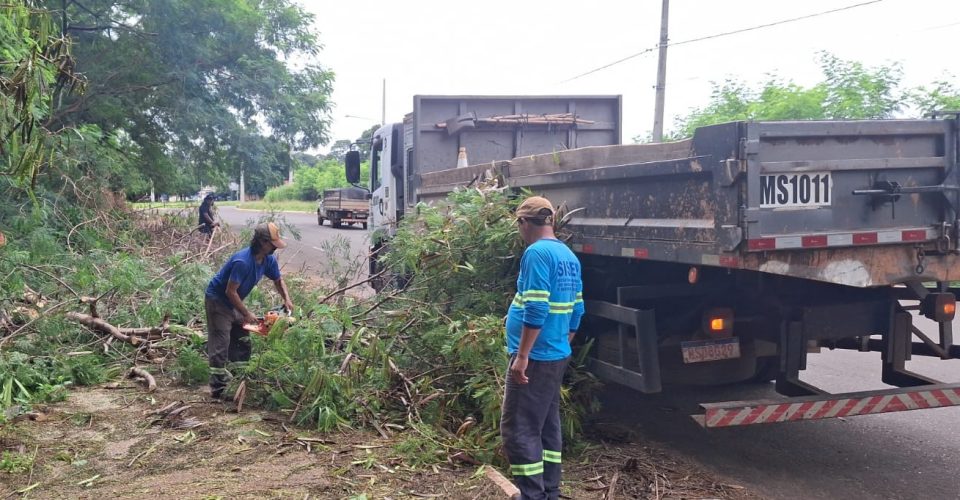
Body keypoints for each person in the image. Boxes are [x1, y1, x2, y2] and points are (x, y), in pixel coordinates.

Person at [500, 196, 584, 500]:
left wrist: (523, 356)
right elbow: (577, 310)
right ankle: (550, 491)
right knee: (547, 425)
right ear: (551, 221)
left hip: (535, 357)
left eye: (518, 224)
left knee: (519, 429)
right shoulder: (567, 255)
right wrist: (560, 344)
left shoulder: (536, 253)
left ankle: (532, 495)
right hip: (555, 354)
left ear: (524, 222)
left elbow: (536, 307)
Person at [204, 222, 294, 399]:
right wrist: (246, 313)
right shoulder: (243, 262)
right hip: (218, 301)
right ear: (262, 242)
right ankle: (218, 388)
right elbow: (230, 291)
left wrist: (287, 299)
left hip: (233, 301)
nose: (275, 248)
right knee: (221, 341)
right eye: (272, 245)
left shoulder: (268, 260)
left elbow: (278, 280)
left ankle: (240, 377)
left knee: (242, 337)